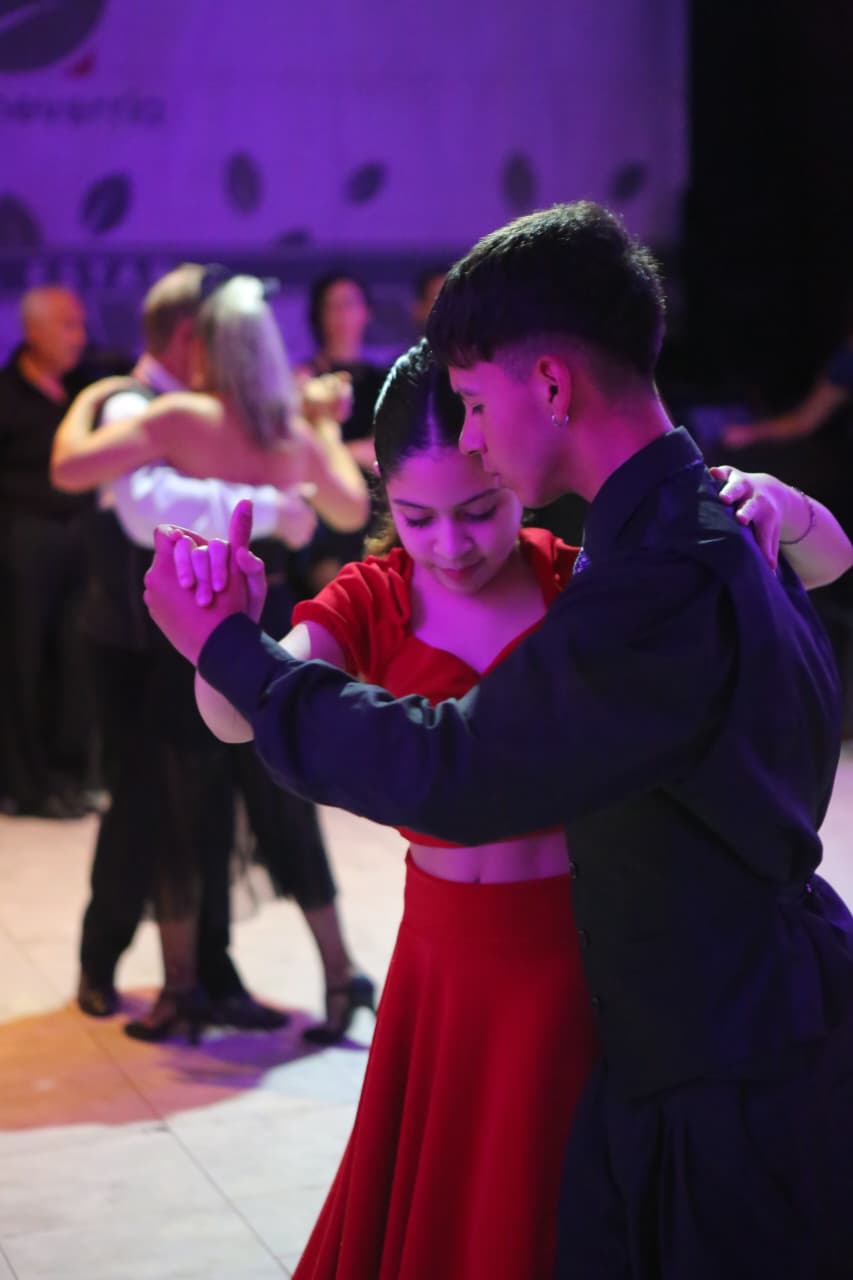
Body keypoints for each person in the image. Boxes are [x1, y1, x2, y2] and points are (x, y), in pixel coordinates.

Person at [144, 202, 853, 1279]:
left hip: (723, 1049)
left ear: (551, 385)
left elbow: (452, 767)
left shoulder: (651, 577)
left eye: (475, 402)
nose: (470, 435)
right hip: (715, 1021)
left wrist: (224, 645)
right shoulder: (689, 533)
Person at [52, 266, 371, 1042]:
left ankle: (183, 990)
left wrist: (87, 404)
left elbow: (72, 468)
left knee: (181, 808)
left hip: (193, 632)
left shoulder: (179, 418)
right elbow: (350, 508)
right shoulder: (290, 431)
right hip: (275, 628)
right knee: (287, 810)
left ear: (208, 347)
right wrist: (316, 434)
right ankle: (341, 977)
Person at [0, 285, 95, 818]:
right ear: (33, 331)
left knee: (75, 660)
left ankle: (68, 776)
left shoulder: (83, 390)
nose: (79, 336)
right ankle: (26, 784)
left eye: (80, 324)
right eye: (67, 325)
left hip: (78, 542)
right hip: (22, 545)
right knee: (23, 663)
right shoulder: (6, 395)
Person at [294, 272, 388, 592]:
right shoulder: (302, 380)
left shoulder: (383, 380)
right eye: (332, 306)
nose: (341, 315)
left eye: (349, 304)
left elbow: (391, 448)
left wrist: (335, 451)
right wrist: (351, 452)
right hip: (321, 512)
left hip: (374, 507)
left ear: (366, 312)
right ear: (318, 315)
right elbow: (295, 449)